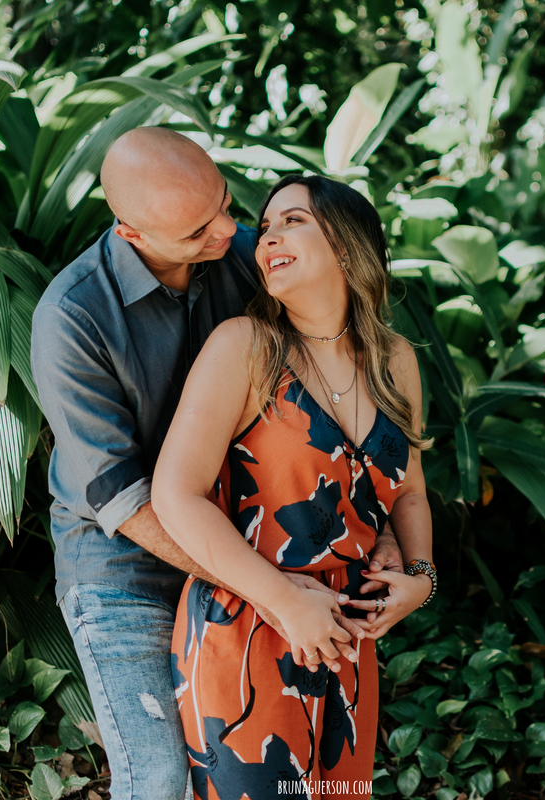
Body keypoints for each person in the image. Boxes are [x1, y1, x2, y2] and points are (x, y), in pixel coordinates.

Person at [30, 129, 403, 800]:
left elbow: (330, 386)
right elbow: (128, 500)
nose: (229, 231)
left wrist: (387, 537)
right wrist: (271, 591)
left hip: (253, 551)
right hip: (125, 569)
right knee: (162, 780)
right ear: (132, 232)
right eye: (199, 228)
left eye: (229, 206)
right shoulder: (72, 317)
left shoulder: (236, 255)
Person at [152, 175, 436, 800]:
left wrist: (421, 575)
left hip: (346, 643)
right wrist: (283, 600)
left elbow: (408, 490)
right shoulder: (245, 348)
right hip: (247, 627)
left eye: (294, 221)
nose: (268, 236)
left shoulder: (396, 360)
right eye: (267, 224)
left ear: (348, 243)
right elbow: (176, 494)